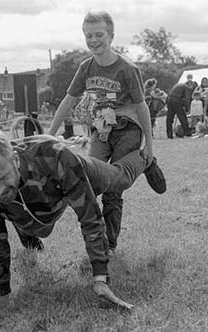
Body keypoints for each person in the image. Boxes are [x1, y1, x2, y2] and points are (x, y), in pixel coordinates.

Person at [0, 128, 165, 309]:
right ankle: (28, 234)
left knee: (118, 178)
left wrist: (100, 276)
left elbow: (90, 217)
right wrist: (2, 292)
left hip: (74, 171)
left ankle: (145, 159)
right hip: (40, 200)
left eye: (3, 178)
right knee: (16, 208)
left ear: (16, 160)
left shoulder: (55, 155)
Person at [47, 10, 165, 252]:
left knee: (113, 187)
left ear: (111, 36)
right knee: (88, 178)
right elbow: (68, 101)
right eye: (88, 35)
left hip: (128, 130)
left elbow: (142, 107)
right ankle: (96, 234)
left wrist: (150, 145)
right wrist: (48, 135)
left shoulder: (127, 69)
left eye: (99, 34)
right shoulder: (85, 68)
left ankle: (108, 244)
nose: (94, 40)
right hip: (101, 130)